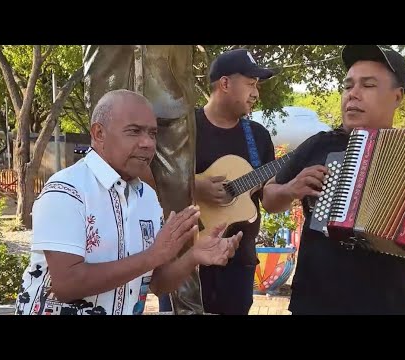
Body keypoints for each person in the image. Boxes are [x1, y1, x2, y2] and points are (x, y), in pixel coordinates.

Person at [14, 89, 242, 315]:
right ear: (99, 133)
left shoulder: (148, 198)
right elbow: (67, 284)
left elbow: (157, 284)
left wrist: (193, 257)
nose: (148, 143)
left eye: (152, 134)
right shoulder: (67, 190)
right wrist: (152, 256)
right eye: (134, 131)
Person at [263, 45, 405, 315]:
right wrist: (290, 189)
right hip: (314, 302)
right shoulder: (319, 144)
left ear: (398, 97)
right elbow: (269, 199)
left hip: (387, 304)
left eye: (368, 85)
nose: (353, 94)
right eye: (348, 86)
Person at [82, 45, 204, 315]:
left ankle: (188, 309)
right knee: (102, 211)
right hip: (109, 83)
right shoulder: (67, 189)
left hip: (171, 89)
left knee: (180, 214)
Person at [194, 48, 277, 315]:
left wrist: (293, 186)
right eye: (251, 84)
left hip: (239, 263)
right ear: (225, 83)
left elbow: (272, 197)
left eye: (257, 86)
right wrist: (195, 186)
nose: (256, 93)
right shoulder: (187, 128)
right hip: (187, 260)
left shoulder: (258, 136)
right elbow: (154, 176)